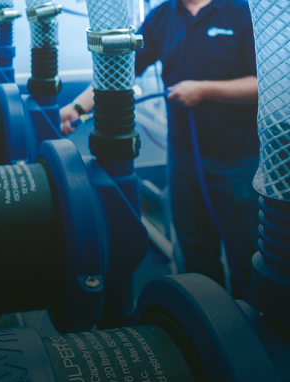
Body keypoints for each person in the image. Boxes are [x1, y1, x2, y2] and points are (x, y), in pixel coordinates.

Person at [60, 0, 260, 299]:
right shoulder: (161, 18)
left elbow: (262, 85)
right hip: (184, 160)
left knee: (250, 255)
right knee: (196, 255)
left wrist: (204, 89)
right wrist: (76, 107)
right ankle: (214, 324)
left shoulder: (240, 12)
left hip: (239, 162)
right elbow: (119, 71)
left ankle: (257, 330)